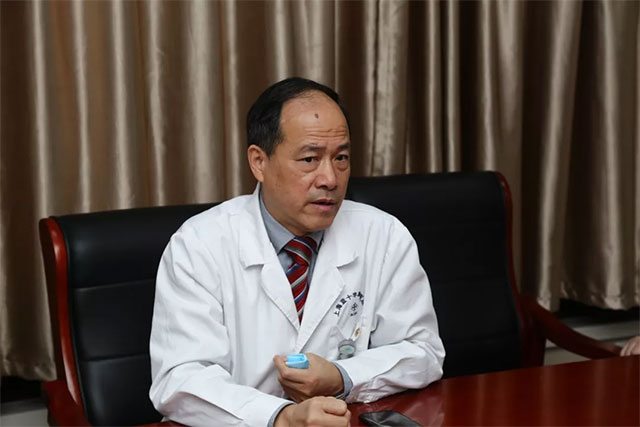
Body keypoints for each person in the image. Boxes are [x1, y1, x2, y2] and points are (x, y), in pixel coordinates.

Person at [149, 77, 445, 426]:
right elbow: (181, 379)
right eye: (309, 159)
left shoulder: (383, 235)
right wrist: (281, 418)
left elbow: (422, 352)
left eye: (341, 158)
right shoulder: (199, 244)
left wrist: (342, 377)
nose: (330, 179)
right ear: (259, 162)